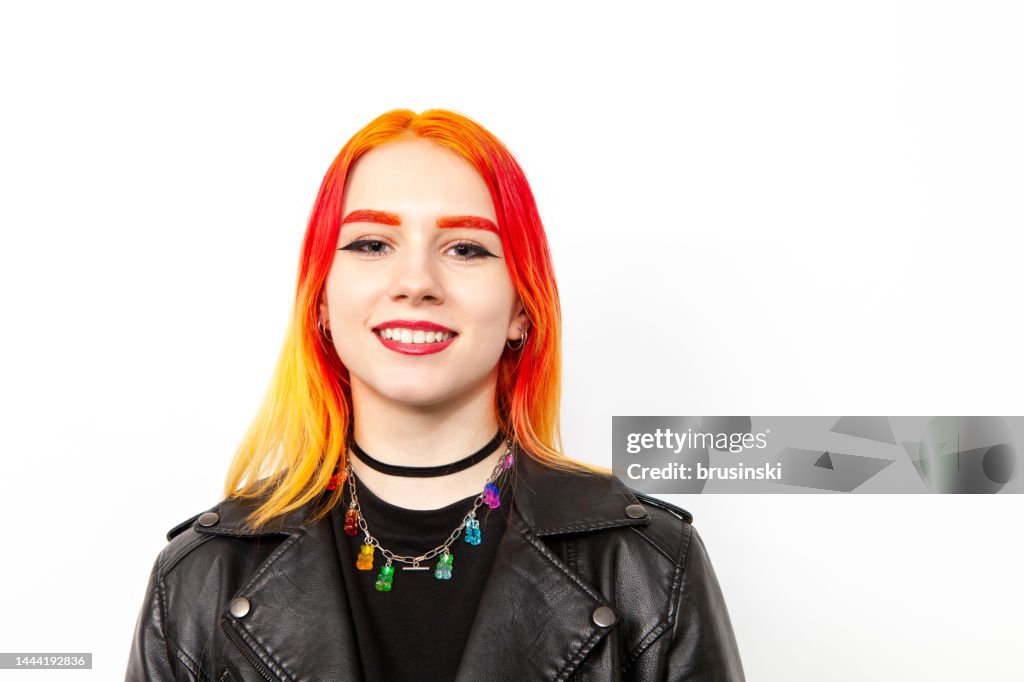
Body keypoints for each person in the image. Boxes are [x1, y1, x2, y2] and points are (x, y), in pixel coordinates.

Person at [125, 108, 746, 681]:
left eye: (466, 248)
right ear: (320, 302)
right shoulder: (197, 577)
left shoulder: (647, 563)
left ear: (521, 310)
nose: (416, 281)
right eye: (372, 244)